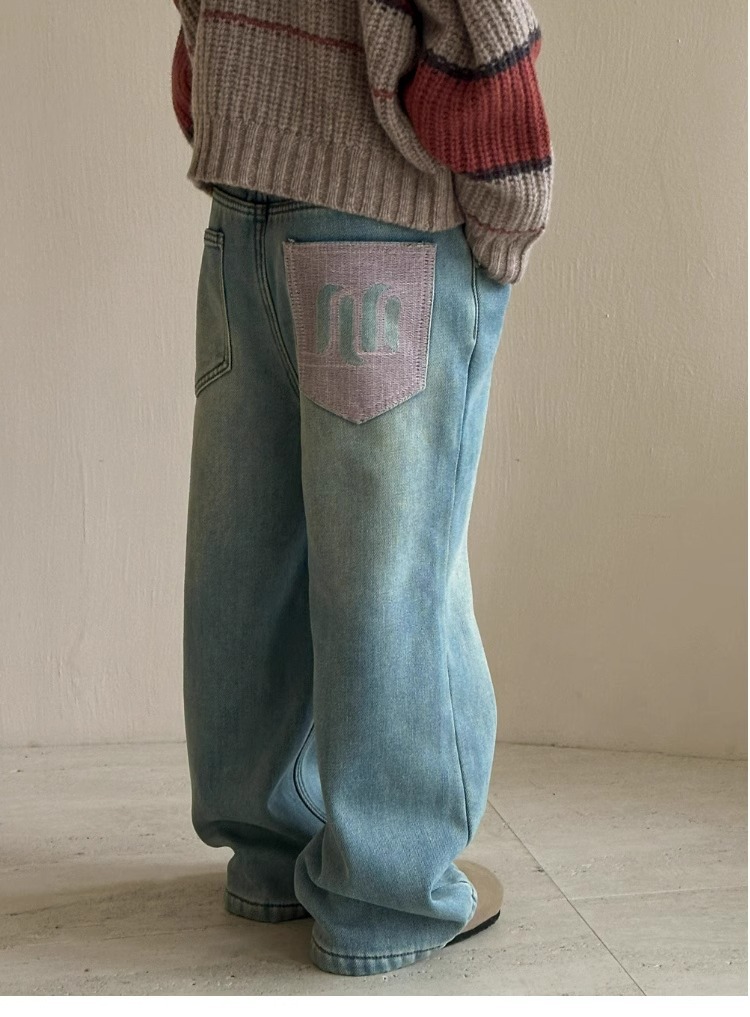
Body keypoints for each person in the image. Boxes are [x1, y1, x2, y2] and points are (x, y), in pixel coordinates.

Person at [170, 0, 553, 978]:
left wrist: (232, 104)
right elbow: (475, 17)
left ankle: (271, 851)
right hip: (381, 217)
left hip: (243, 210)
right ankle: (387, 895)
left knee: (248, 548)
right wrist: (511, 202)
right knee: (393, 572)